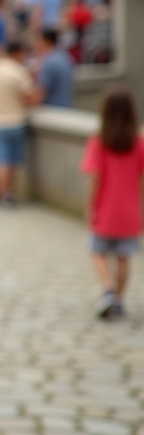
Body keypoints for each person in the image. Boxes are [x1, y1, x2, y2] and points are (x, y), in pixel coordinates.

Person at [82, 88, 144, 319]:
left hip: (106, 209)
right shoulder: (138, 143)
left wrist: (90, 207)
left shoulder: (99, 142)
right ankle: (118, 299)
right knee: (124, 258)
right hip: (130, 212)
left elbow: (95, 179)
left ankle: (108, 288)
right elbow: (141, 180)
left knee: (97, 251)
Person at [0, 41, 41, 207]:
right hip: (16, 120)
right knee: (12, 161)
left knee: (0, 160)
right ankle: (7, 193)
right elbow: (31, 97)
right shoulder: (19, 71)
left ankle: (2, 192)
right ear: (18, 53)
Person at [35, 27, 75, 108]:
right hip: (66, 107)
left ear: (47, 42)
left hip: (53, 109)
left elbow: (42, 93)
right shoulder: (65, 56)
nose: (36, 44)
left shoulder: (49, 62)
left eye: (38, 41)